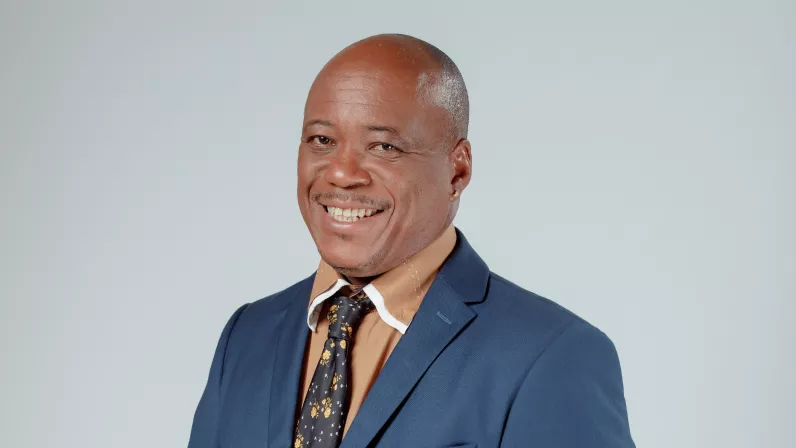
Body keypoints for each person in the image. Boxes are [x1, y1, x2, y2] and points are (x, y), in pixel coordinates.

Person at [188, 33, 635, 448]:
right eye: (322, 140)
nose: (341, 173)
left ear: (457, 170)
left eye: (384, 147)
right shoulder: (246, 336)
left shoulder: (551, 356)